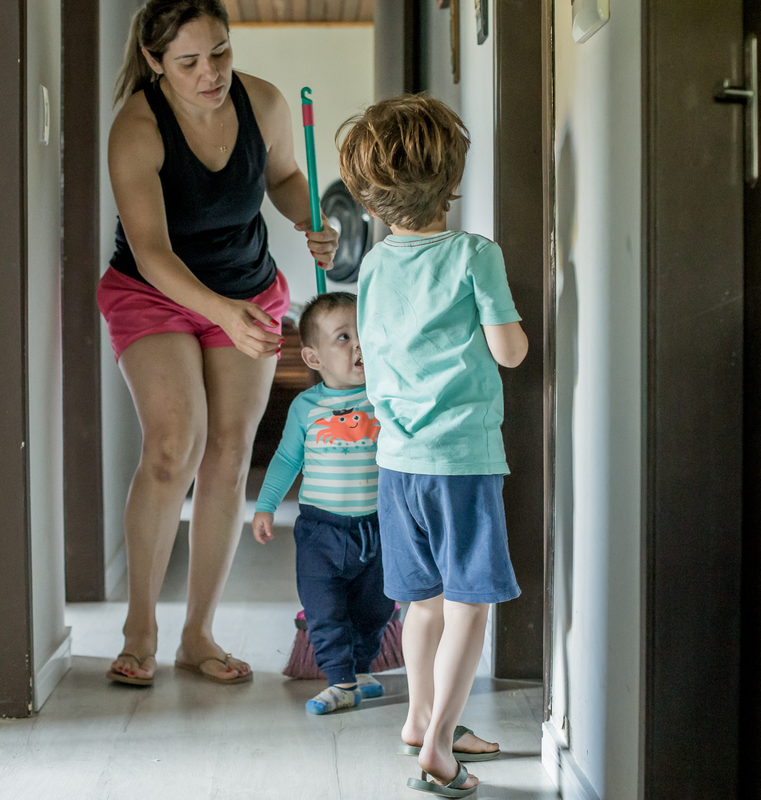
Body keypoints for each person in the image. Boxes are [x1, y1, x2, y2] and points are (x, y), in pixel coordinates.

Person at [99, 0, 338, 687]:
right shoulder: (137, 129)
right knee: (174, 445)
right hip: (155, 290)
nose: (211, 74)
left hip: (247, 285)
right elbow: (152, 252)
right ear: (155, 62)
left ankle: (197, 634)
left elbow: (284, 178)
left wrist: (311, 220)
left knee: (230, 455)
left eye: (221, 53)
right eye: (189, 62)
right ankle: (140, 628)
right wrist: (220, 314)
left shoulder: (262, 103)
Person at [337, 96, 529, 796]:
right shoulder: (475, 255)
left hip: (396, 463)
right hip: (461, 462)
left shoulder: (375, 266)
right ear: (452, 177)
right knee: (469, 605)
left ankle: (420, 719)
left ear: (371, 199)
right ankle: (441, 749)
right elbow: (510, 353)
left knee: (423, 603)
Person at [251, 292, 395, 715]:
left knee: (376, 608)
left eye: (363, 333)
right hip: (321, 531)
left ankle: (362, 669)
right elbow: (286, 459)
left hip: (380, 527)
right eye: (343, 337)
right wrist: (266, 505)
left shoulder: (385, 397)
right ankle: (340, 679)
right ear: (314, 358)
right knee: (324, 607)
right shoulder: (306, 407)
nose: (358, 345)